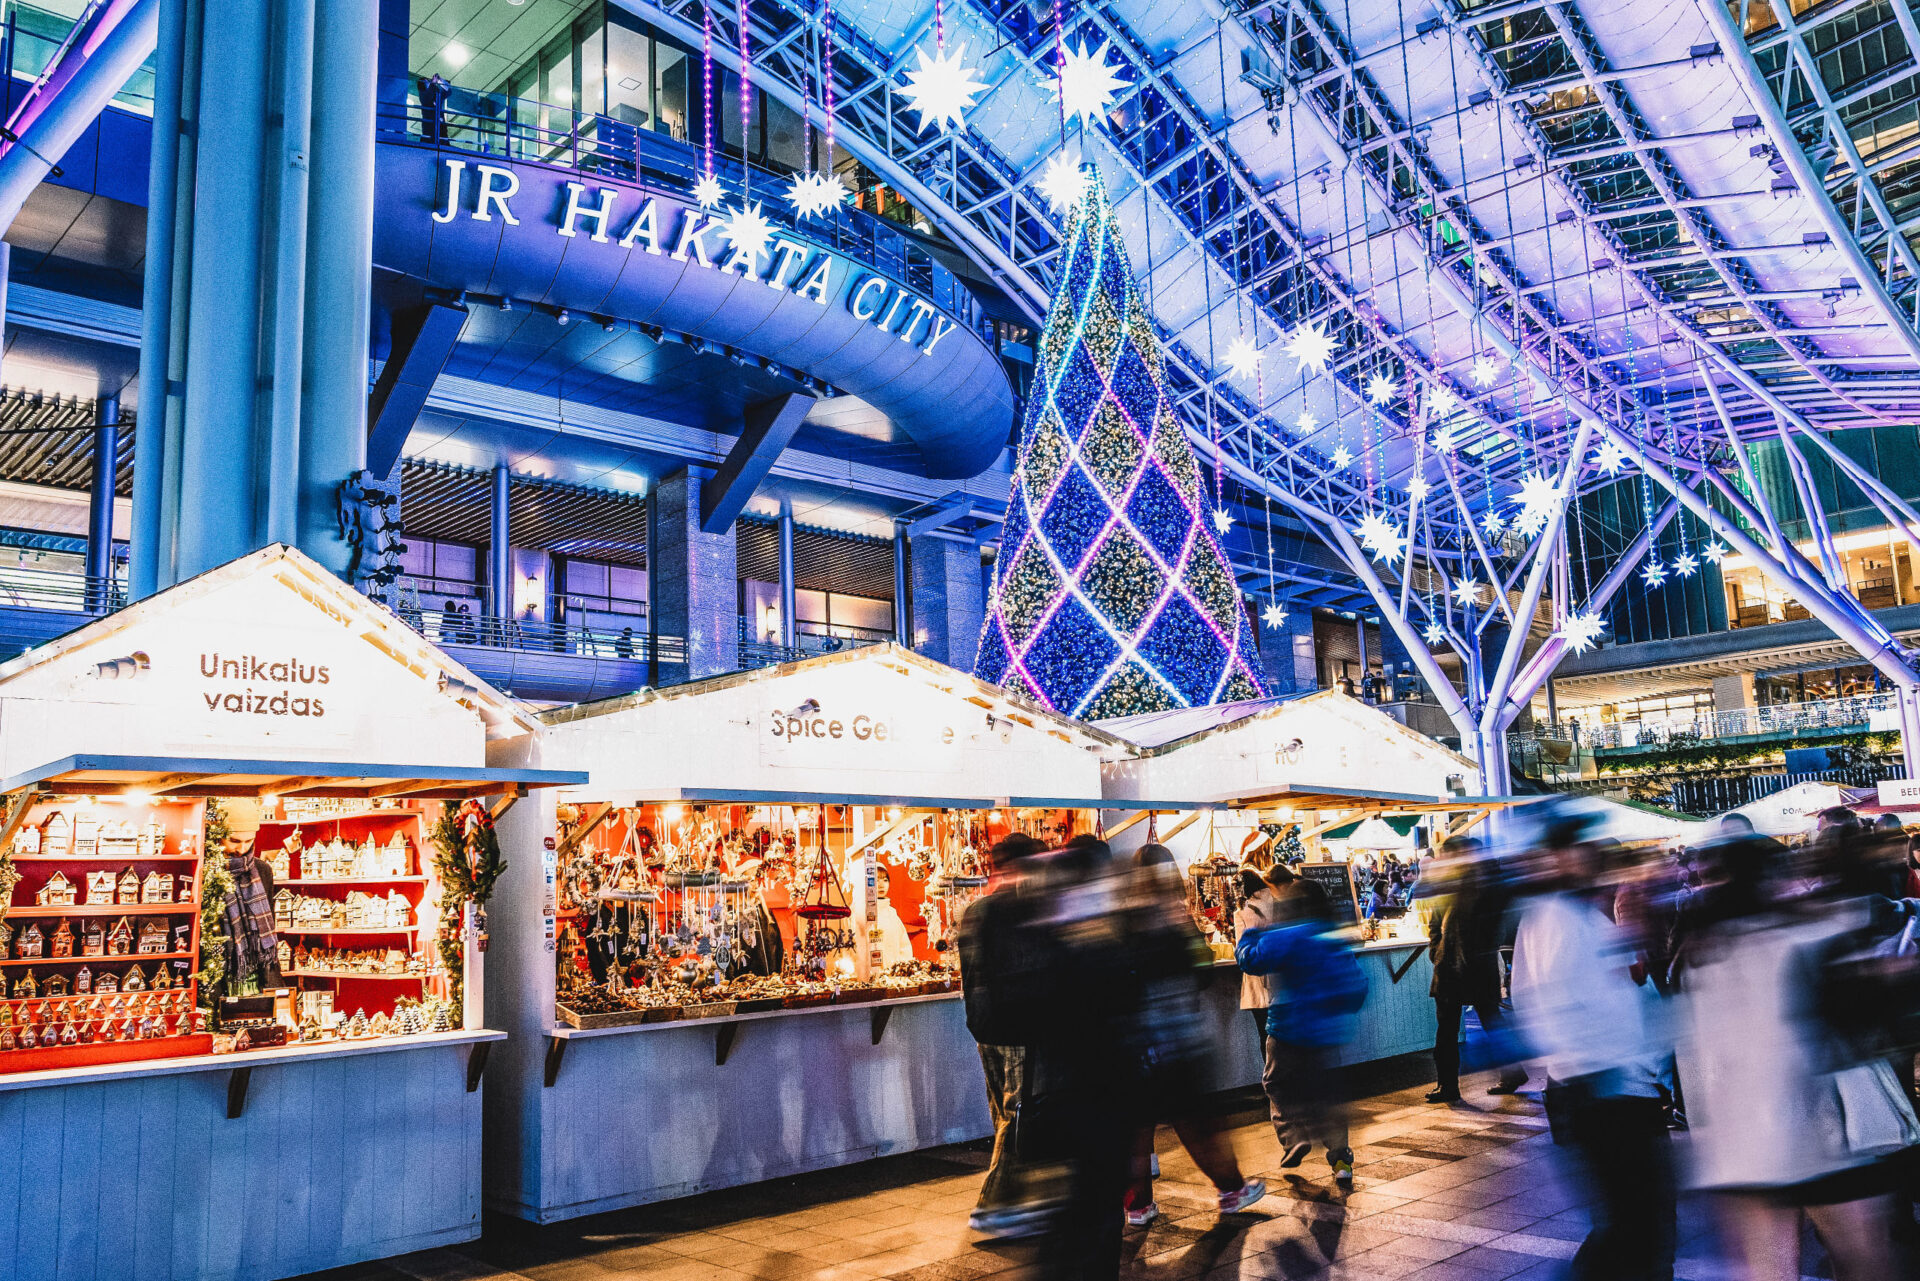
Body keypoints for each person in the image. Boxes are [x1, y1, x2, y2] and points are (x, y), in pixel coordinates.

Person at [1677, 831, 1918, 1281]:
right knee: (1868, 1259)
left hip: (1740, 1151)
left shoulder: (1699, 953)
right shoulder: (1793, 935)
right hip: (1811, 1137)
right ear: (1770, 875)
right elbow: (1867, 920)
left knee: (1771, 1271)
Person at [1510, 811, 1675, 1281]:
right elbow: (1562, 1005)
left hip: (1604, 1083)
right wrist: (1600, 1071)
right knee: (1637, 1221)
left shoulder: (1564, 914)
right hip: (1604, 1086)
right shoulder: (1559, 917)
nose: (1590, 859)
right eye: (1576, 849)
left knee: (1633, 1220)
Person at [1120, 845, 1266, 1226]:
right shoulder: (1172, 919)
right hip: (1176, 1038)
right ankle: (1231, 1188)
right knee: (1197, 1122)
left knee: (1137, 1128)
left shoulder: (1124, 920)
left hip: (1136, 1043)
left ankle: (1136, 1205)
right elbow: (1200, 967)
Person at [1237, 869, 1364, 1186]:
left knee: (1276, 1084)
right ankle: (1340, 1162)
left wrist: (1251, 935)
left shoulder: (1284, 936)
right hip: (1324, 1033)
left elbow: (1251, 961)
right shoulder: (1332, 940)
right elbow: (1357, 985)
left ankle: (1293, 1137)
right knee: (1327, 1095)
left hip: (1285, 1028)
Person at [956, 833, 1051, 1239]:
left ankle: (1019, 1199)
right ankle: (993, 1203)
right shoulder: (1022, 911)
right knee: (1016, 1115)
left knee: (1004, 1113)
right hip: (1016, 1027)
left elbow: (970, 975)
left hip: (984, 1027)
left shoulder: (976, 912)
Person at [1424, 839, 1527, 1102]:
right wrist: (1437, 950)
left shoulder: (1487, 883)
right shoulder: (1449, 883)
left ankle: (1510, 1072)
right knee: (1451, 1029)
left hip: (1475, 965)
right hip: (1449, 965)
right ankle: (1449, 1085)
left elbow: (1497, 918)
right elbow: (1435, 923)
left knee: (1486, 1022)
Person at [419, 72, 451, 145]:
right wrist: (433, 83)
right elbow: (428, 95)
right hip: (430, 129)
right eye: (426, 82)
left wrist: (440, 80)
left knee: (444, 145)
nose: (429, 83)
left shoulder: (436, 95)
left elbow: (448, 92)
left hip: (441, 127)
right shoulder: (423, 95)